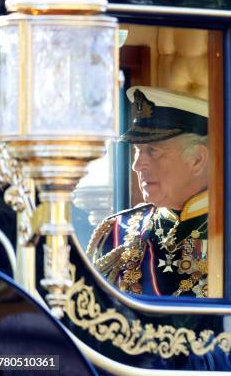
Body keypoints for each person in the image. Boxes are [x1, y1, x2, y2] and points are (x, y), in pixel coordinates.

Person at [86, 86, 210, 297]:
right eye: (137, 151)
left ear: (197, 159)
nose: (137, 165)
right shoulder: (118, 232)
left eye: (153, 151)